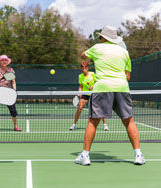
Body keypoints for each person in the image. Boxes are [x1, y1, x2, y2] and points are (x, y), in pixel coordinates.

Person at [74, 25, 146, 166]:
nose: (100, 38)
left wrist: (92, 58)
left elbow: (83, 56)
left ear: (104, 38)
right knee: (129, 121)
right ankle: (138, 155)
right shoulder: (124, 52)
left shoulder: (97, 48)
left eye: (100, 37)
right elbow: (128, 76)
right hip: (122, 88)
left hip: (102, 88)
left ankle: (85, 156)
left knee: (93, 121)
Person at [70, 61, 108, 131]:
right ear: (81, 68)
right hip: (85, 94)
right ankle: (74, 125)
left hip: (94, 93)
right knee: (80, 108)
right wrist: (79, 92)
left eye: (85, 66)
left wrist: (93, 87)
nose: (84, 68)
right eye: (82, 66)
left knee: (99, 109)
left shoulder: (92, 74)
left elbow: (98, 82)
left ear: (88, 67)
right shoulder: (80, 76)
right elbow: (80, 86)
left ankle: (105, 125)